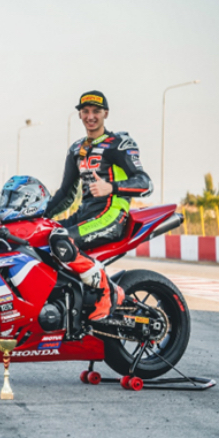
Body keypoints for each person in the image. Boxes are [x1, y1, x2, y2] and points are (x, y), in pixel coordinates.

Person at [45, 90, 153, 320]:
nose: (90, 116)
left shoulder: (118, 144)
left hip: (110, 216)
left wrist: (110, 187)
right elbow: (65, 194)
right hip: (84, 215)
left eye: (96, 111)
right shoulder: (76, 149)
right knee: (40, 239)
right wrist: (37, 216)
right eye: (85, 111)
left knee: (60, 241)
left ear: (106, 114)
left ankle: (106, 292)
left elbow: (145, 183)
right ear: (80, 115)